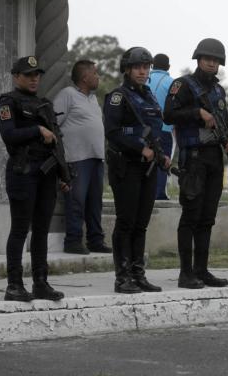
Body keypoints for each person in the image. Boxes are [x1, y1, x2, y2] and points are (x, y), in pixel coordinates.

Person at [0, 56, 70, 302]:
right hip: (23, 171)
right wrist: (37, 130)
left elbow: (57, 141)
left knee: (41, 231)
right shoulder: (8, 102)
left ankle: (41, 282)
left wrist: (63, 173)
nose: (34, 78)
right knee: (20, 229)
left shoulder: (44, 104)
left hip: (46, 173)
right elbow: (9, 135)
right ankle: (14, 285)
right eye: (28, 75)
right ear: (16, 76)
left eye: (37, 74)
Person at [163, 38, 228, 289]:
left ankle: (202, 270)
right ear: (198, 59)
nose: (211, 62)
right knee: (191, 216)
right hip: (193, 159)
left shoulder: (218, 90)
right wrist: (196, 113)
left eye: (215, 60)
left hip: (214, 158)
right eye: (207, 58)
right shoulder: (182, 85)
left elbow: (223, 122)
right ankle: (186, 274)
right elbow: (169, 115)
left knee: (207, 218)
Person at [104, 47, 172, 293]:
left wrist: (162, 156)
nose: (143, 72)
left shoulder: (150, 96)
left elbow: (154, 131)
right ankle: (122, 277)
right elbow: (112, 132)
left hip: (149, 168)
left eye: (146, 67)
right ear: (127, 69)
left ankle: (137, 273)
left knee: (141, 223)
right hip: (126, 166)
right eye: (137, 67)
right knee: (126, 222)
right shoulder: (118, 97)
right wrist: (138, 147)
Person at [55, 60, 111, 255]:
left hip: (96, 157)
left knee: (95, 202)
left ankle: (96, 240)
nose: (97, 77)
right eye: (95, 74)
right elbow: (54, 123)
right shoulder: (67, 95)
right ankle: (73, 241)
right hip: (76, 158)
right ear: (85, 77)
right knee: (76, 200)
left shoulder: (93, 99)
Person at [147, 53, 175, 200]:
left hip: (144, 131)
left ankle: (146, 193)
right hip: (164, 129)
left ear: (152, 65)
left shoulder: (144, 79)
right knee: (163, 161)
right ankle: (159, 195)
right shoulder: (171, 82)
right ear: (168, 67)